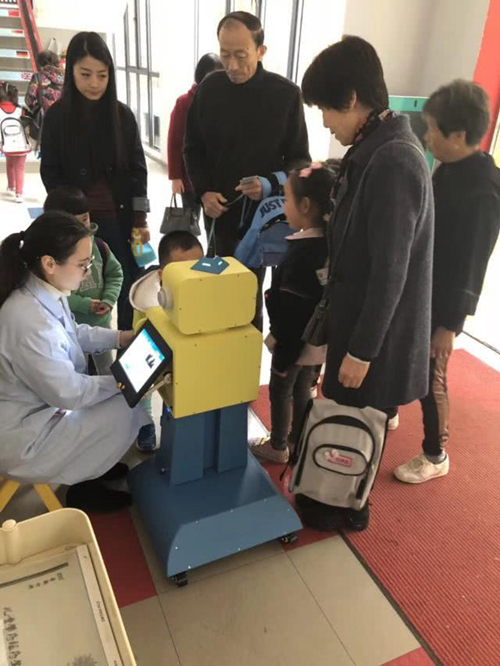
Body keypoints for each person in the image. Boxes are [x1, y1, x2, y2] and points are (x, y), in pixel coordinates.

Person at [299, 36, 434, 531]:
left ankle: (346, 504)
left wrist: (362, 350)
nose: (325, 123)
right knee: (348, 412)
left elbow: (390, 272)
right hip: (357, 318)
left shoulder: (395, 160)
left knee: (357, 422)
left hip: (375, 331)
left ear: (352, 98)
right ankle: (333, 495)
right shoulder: (374, 148)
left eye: (326, 109)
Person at [0, 212, 151, 512]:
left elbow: (72, 332)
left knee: (115, 399)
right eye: (82, 265)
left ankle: (94, 468)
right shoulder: (29, 321)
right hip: (24, 439)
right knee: (126, 406)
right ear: (49, 263)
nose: (88, 271)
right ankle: (85, 487)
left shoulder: (39, 290)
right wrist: (125, 380)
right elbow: (70, 393)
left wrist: (120, 338)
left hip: (38, 411)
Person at [394, 80, 500, 485]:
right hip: (424, 286)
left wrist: (449, 325)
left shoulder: (484, 190)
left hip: (444, 303)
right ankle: (389, 409)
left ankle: (435, 454)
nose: (426, 136)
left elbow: (472, 265)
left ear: (458, 135)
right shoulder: (450, 166)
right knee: (403, 354)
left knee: (431, 376)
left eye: (433, 130)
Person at [184, 11, 310, 330]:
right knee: (216, 288)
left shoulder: (285, 95)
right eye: (225, 54)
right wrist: (203, 192)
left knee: (250, 294)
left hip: (263, 217)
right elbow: (192, 149)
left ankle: (247, 356)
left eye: (241, 55)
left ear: (260, 51)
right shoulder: (209, 88)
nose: (232, 65)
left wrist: (270, 184)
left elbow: (300, 161)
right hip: (218, 211)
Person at [40, 31, 150, 330]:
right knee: (78, 288)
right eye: (85, 74)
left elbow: (138, 172)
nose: (94, 83)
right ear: (71, 72)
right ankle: (82, 347)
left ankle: (127, 342)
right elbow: (50, 172)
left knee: (127, 282)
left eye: (102, 75)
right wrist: (69, 213)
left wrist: (140, 218)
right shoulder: (57, 118)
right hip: (75, 223)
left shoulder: (122, 116)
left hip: (120, 218)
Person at [249, 162, 335, 464]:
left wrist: (284, 356)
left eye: (286, 198)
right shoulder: (329, 244)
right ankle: (299, 439)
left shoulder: (300, 255)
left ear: (306, 205)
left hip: (293, 343)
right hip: (316, 341)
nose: (283, 205)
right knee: (304, 389)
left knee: (281, 389)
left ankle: (278, 445)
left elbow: (293, 312)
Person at [129, 230, 204, 451]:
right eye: (182, 269)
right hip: (153, 350)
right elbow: (148, 333)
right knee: (145, 390)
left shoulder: (201, 284)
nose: (191, 275)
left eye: (197, 266)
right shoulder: (148, 298)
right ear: (162, 274)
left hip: (189, 354)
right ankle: (145, 425)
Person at [44, 186, 124, 375]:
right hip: (71, 325)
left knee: (106, 370)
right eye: (74, 223)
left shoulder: (100, 246)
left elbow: (115, 273)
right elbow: (54, 294)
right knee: (77, 370)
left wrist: (108, 299)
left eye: (85, 219)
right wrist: (84, 305)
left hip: (100, 321)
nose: (83, 227)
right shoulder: (51, 261)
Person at [168, 53, 223, 222]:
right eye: (209, 77)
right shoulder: (184, 102)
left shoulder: (223, 102)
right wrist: (175, 176)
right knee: (189, 221)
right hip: (189, 176)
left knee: (212, 221)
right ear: (200, 76)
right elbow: (174, 141)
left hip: (215, 179)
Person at [24, 49, 64, 146]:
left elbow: (30, 99)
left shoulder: (38, 77)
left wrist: (37, 108)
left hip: (43, 124)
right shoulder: (65, 78)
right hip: (62, 124)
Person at [0, 83, 27, 203]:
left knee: (9, 164)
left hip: (6, 143)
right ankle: (19, 194)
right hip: (20, 143)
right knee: (19, 168)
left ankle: (11, 186)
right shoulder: (20, 110)